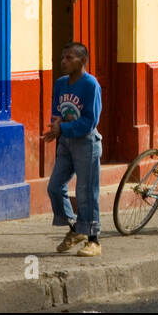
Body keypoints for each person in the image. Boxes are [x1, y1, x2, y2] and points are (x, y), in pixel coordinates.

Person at [42, 42, 102, 256]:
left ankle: (93, 239)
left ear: (83, 61)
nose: (63, 62)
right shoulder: (60, 84)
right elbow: (57, 110)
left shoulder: (90, 85)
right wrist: (55, 128)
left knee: (86, 192)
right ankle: (76, 229)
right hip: (66, 142)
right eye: (62, 58)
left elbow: (90, 121)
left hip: (86, 142)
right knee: (55, 187)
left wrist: (63, 127)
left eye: (69, 58)